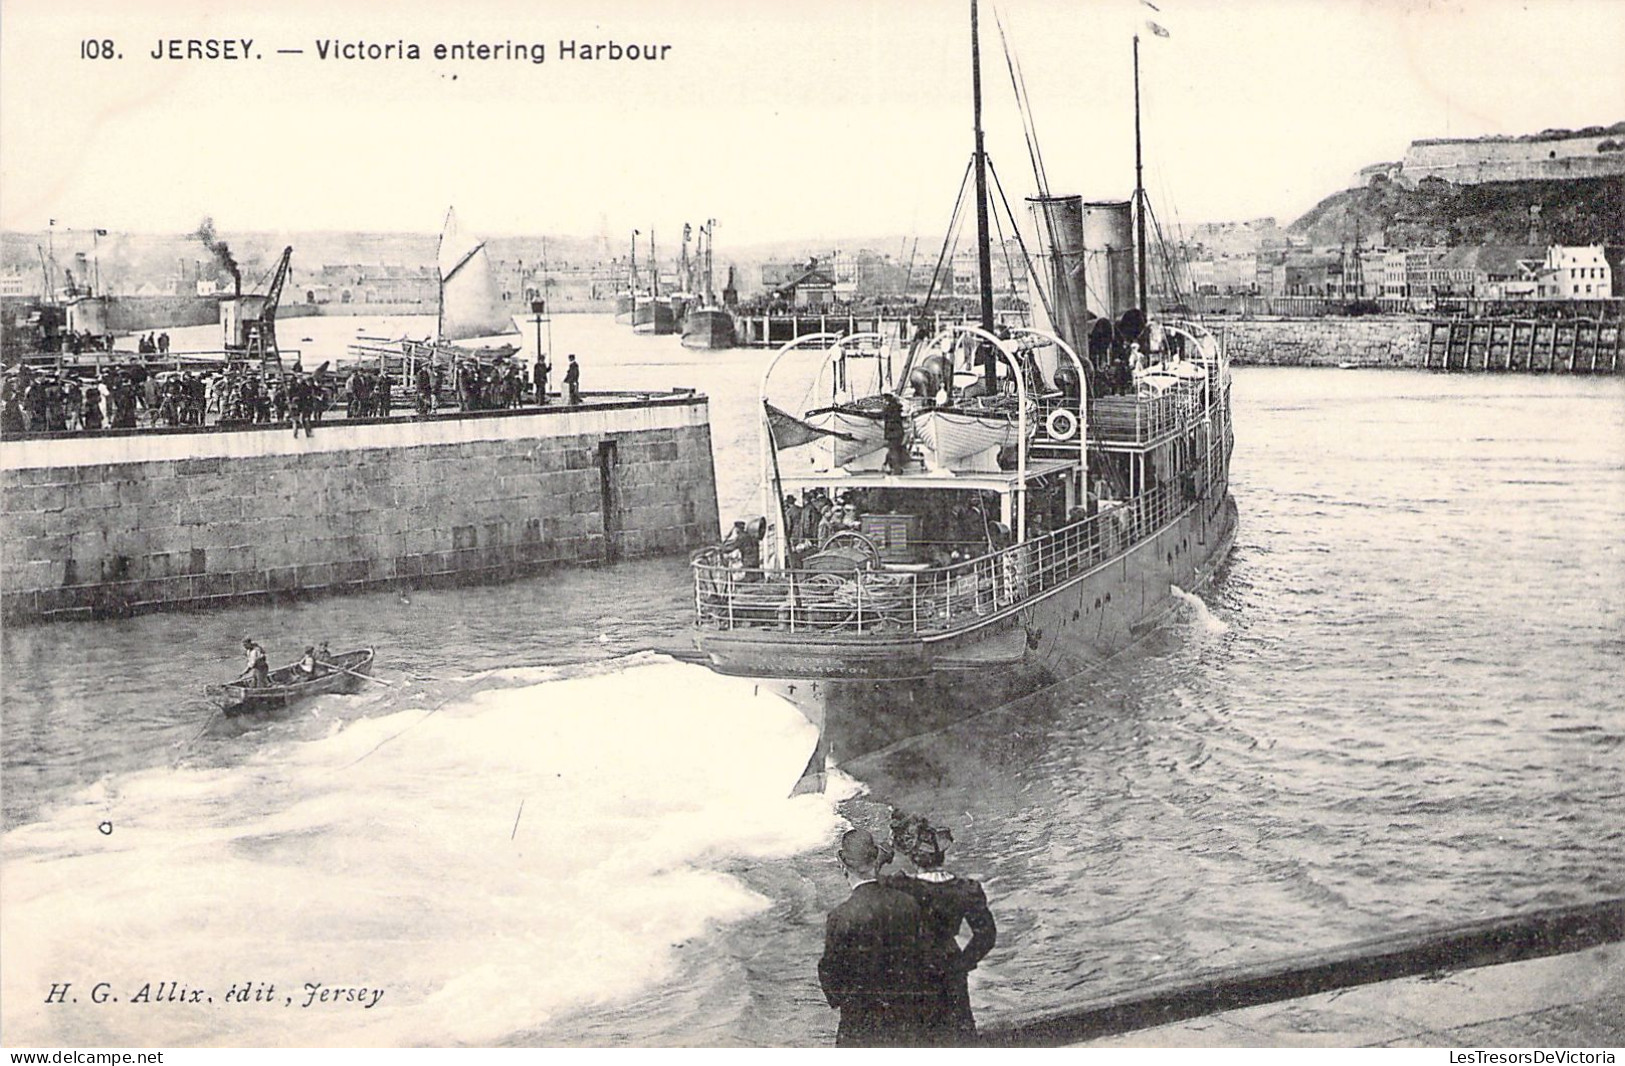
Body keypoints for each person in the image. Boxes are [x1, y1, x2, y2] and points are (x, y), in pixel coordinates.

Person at [884, 813, 997, 1045]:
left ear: (912, 858)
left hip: (916, 966)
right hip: (950, 962)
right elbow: (986, 935)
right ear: (942, 854)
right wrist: (963, 964)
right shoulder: (966, 888)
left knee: (920, 1036)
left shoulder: (903, 887)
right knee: (958, 1031)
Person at [818, 828, 927, 1047]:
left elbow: (830, 974)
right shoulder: (907, 903)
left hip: (860, 1024)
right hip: (907, 1020)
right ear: (875, 858)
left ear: (842, 865)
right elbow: (923, 959)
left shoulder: (841, 916)